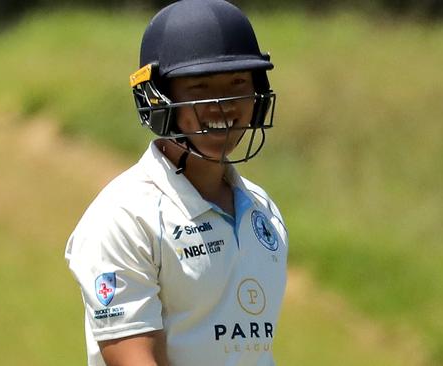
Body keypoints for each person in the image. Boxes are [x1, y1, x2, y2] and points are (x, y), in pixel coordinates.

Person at [64, 1, 288, 365]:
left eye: (237, 85)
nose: (224, 106)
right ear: (157, 100)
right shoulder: (125, 217)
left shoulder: (264, 211)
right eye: (200, 88)